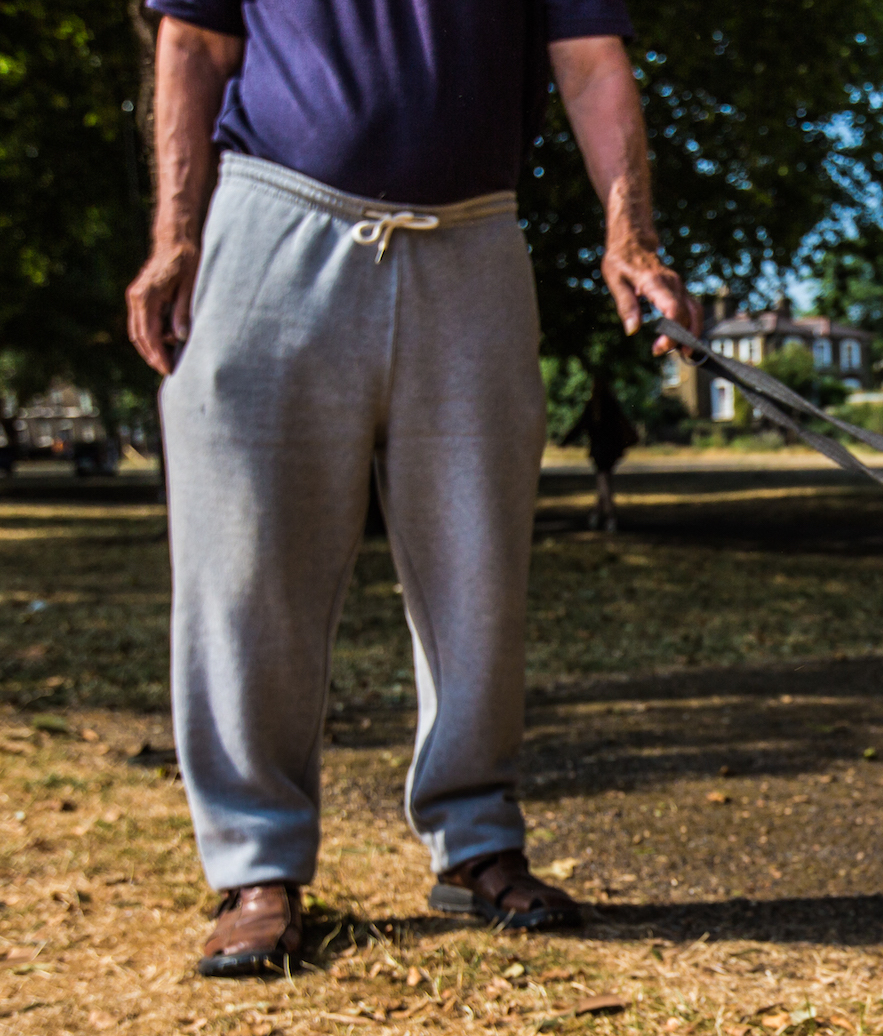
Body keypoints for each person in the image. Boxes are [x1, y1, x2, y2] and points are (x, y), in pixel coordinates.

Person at [125, 1, 701, 976]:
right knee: (245, 568)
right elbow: (195, 41)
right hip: (272, 222)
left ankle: (475, 840)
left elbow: (591, 59)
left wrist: (628, 232)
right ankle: (257, 867)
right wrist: (175, 233)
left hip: (472, 240)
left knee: (475, 566)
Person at [561, 373, 639, 531]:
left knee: (603, 481)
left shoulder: (593, 406)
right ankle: (596, 516)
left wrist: (565, 441)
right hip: (612, 450)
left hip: (599, 450)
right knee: (604, 481)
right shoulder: (611, 405)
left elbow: (580, 426)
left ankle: (610, 516)